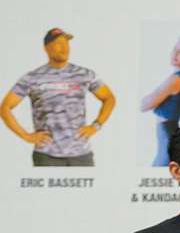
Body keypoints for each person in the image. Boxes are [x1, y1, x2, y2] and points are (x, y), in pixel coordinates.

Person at [3, 28, 114, 167]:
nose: (64, 47)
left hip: (81, 155)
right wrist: (26, 136)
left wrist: (96, 126)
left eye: (67, 43)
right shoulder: (32, 77)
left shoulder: (84, 74)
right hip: (47, 156)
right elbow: (5, 107)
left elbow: (109, 98)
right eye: (59, 43)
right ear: (46, 48)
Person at [142, 34, 180, 168]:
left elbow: (144, 105)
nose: (175, 54)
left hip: (167, 133)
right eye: (175, 49)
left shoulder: (176, 79)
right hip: (168, 132)